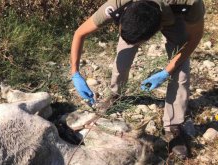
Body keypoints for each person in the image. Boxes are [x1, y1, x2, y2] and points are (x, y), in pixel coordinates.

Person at [70, 0, 205, 159]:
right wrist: (75, 73)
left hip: (175, 19)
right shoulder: (118, 3)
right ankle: (116, 94)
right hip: (140, 15)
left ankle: (173, 125)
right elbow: (80, 33)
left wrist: (167, 71)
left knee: (181, 72)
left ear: (151, 36)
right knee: (123, 55)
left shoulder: (190, 3)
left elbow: (195, 38)